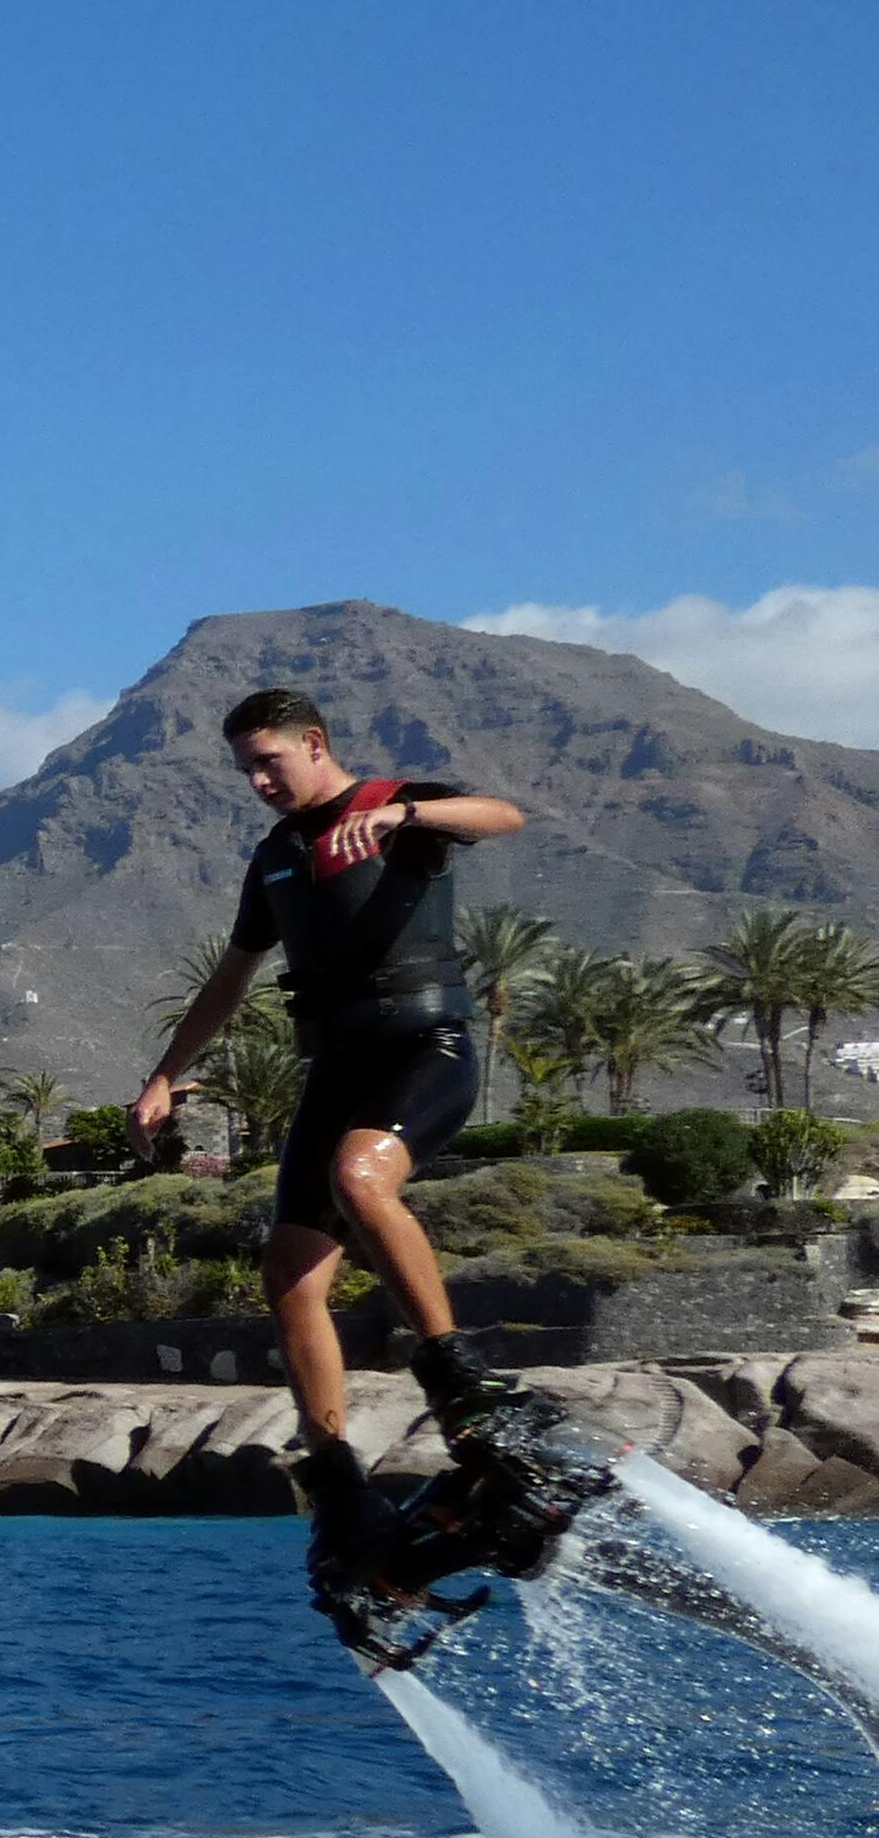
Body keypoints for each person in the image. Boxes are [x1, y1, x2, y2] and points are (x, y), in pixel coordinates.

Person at [131, 685, 553, 1634]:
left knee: (361, 1179)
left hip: (423, 1050)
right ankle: (337, 1483)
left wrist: (406, 816)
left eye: (267, 762)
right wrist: (163, 1075)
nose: (255, 782)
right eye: (243, 768)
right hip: (334, 1068)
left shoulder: (399, 807)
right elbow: (229, 979)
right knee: (287, 1270)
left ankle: (458, 1377)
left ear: (313, 744)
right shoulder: (274, 858)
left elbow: (504, 814)